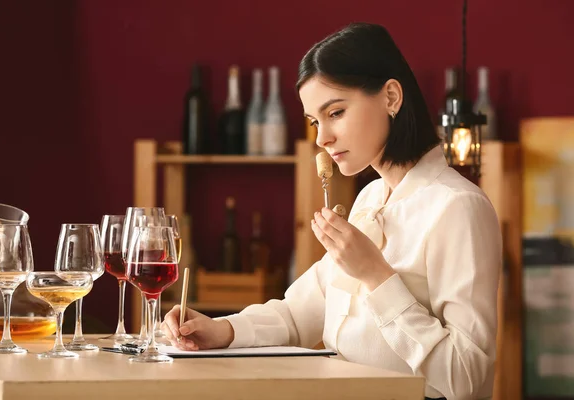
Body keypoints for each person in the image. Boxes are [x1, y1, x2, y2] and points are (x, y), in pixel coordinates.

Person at [162, 22, 501, 400]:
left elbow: (468, 380)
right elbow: (299, 312)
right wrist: (220, 330)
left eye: (335, 112)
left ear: (391, 97)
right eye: (314, 121)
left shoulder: (458, 207)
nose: (322, 138)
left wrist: (377, 277)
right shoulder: (371, 198)